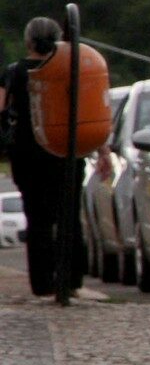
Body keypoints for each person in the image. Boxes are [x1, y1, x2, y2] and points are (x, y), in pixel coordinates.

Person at [2, 18, 83, 297]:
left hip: (27, 155)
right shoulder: (70, 70)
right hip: (66, 152)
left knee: (37, 219)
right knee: (69, 216)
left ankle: (42, 283)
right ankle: (71, 279)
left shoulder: (14, 73)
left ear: (28, 41)